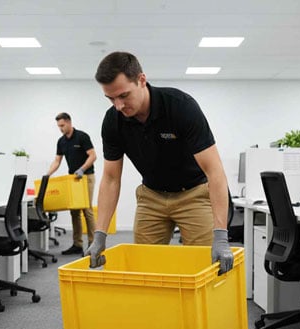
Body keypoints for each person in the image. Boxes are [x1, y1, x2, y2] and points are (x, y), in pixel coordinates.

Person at [85, 51, 234, 274]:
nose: (118, 105)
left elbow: (214, 170)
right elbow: (111, 178)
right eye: (110, 98)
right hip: (151, 197)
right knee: (145, 269)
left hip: (193, 194)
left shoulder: (180, 106)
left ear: (141, 80)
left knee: (208, 266)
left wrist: (221, 235)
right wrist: (100, 234)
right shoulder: (113, 121)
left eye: (124, 95)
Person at [46, 112, 98, 256]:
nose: (61, 128)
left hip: (86, 176)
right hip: (72, 179)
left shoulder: (82, 136)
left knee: (87, 210)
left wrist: (82, 169)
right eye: (59, 126)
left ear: (69, 122)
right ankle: (77, 244)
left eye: (62, 125)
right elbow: (57, 161)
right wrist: (47, 174)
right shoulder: (61, 141)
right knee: (74, 211)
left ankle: (93, 245)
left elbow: (93, 155)